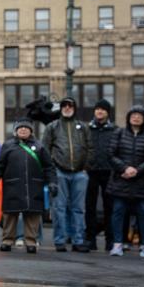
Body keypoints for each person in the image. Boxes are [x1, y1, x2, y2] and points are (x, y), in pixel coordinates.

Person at [0, 118, 57, 253]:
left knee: (32, 215)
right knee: (10, 215)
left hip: (33, 187)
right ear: (16, 131)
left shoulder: (39, 146)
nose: (23, 129)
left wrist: (52, 182)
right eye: (20, 128)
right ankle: (7, 240)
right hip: (12, 186)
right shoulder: (8, 146)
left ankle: (31, 241)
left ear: (31, 130)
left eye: (26, 128)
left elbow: (49, 167)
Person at [42, 97, 93, 253]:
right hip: (59, 172)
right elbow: (45, 149)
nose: (67, 108)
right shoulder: (53, 127)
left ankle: (78, 240)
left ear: (74, 108)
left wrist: (85, 167)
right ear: (61, 108)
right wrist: (51, 169)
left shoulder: (83, 127)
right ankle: (60, 241)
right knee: (59, 208)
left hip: (79, 173)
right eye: (64, 105)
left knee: (78, 209)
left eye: (70, 105)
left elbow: (90, 148)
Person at [106, 106, 144, 258]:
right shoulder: (119, 133)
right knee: (118, 212)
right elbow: (110, 154)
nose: (136, 118)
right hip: (121, 180)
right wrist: (125, 168)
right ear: (129, 117)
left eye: (139, 115)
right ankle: (117, 245)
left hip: (142, 182)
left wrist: (137, 170)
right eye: (133, 115)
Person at [85, 99, 116, 251]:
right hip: (90, 172)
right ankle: (90, 239)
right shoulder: (86, 129)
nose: (99, 112)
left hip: (109, 172)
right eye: (97, 109)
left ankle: (110, 241)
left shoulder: (115, 130)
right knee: (89, 206)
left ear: (107, 112)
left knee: (109, 207)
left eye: (103, 110)